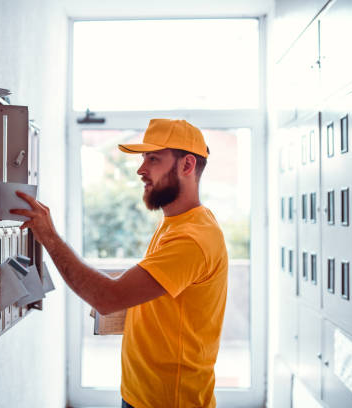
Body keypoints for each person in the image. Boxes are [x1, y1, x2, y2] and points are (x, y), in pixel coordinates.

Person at [11, 119, 228, 408]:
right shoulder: (180, 223)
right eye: (142, 158)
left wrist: (49, 237)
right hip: (142, 394)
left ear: (187, 165)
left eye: (153, 159)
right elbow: (164, 298)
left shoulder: (192, 239)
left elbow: (107, 297)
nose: (141, 169)